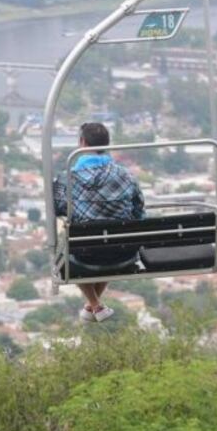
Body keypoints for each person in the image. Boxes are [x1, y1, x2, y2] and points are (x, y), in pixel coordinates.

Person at [54, 122, 144, 322]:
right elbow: (139, 211)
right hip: (123, 253)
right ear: (107, 144)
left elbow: (59, 208)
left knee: (74, 244)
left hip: (85, 255)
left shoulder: (67, 178)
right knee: (109, 238)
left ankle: (95, 305)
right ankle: (93, 306)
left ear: (82, 142)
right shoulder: (126, 175)